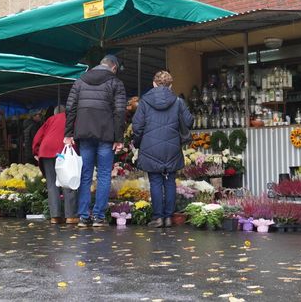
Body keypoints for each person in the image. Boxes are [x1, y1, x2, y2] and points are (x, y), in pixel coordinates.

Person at [64, 55, 126, 227]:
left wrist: (68, 133)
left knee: (85, 175)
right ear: (114, 68)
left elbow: (70, 108)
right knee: (104, 175)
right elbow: (120, 111)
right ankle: (98, 216)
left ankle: (84, 216)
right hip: (106, 135)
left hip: (84, 134)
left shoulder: (79, 81)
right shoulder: (115, 83)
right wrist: (119, 138)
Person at [132, 71, 193, 228]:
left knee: (155, 182)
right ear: (171, 85)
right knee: (170, 181)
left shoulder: (144, 102)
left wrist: (138, 144)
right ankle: (168, 217)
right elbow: (189, 121)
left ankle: (158, 217)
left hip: (150, 148)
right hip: (172, 147)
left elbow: (137, 127)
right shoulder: (178, 101)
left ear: (154, 83)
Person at [33, 106, 79, 225]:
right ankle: (71, 216)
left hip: (46, 150)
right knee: (68, 181)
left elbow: (38, 136)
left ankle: (55, 216)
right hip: (63, 151)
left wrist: (36, 151)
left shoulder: (51, 119)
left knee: (52, 183)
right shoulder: (73, 118)